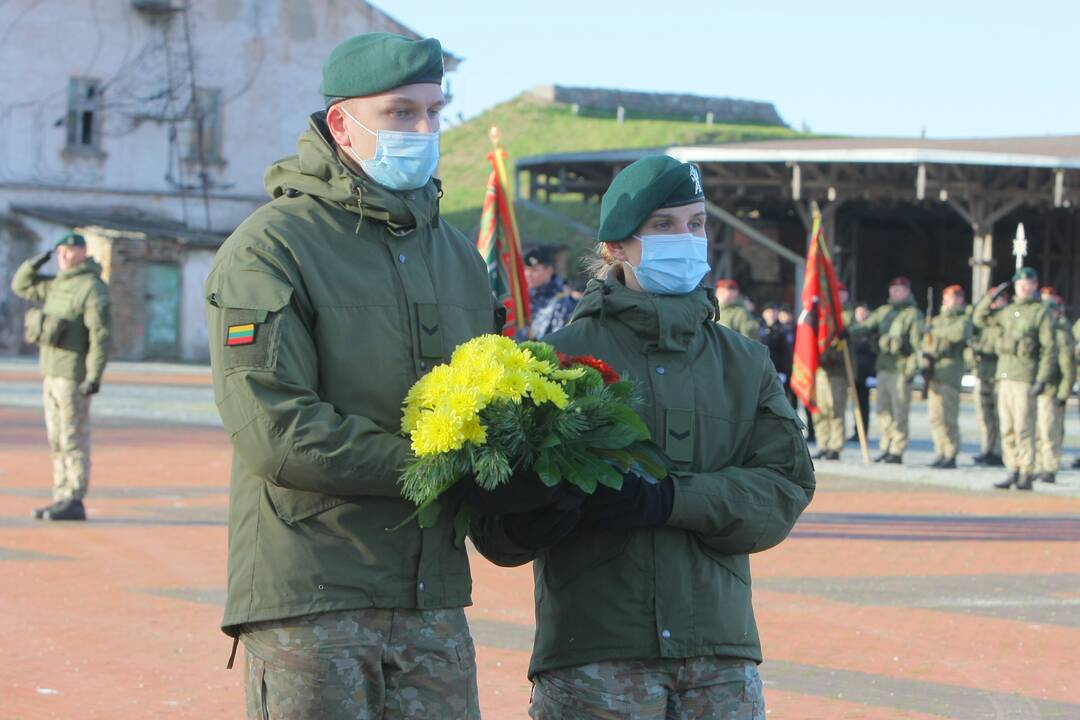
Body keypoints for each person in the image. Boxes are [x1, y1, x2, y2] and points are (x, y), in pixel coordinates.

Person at [204, 33, 552, 718]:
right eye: (400, 114)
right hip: (315, 592)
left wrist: (525, 481)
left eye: (433, 111)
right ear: (342, 123)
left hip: (432, 595)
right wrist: (446, 465)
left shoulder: (456, 257)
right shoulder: (272, 246)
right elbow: (277, 429)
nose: (423, 130)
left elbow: (490, 406)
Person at [472, 155, 815, 719]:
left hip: (718, 661)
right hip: (595, 655)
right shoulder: (553, 361)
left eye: (696, 224)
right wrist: (532, 515)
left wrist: (671, 498)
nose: (685, 238)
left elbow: (783, 490)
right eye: (663, 225)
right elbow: (496, 532)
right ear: (616, 247)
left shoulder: (744, 362)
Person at [11, 232, 111, 521]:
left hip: (72, 376)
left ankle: (74, 497)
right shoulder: (57, 283)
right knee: (56, 438)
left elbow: (101, 336)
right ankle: (60, 495)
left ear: (82, 252)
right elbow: (21, 285)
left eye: (70, 251)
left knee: (73, 437)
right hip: (51, 373)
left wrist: (94, 376)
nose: (64, 257)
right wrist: (39, 259)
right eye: (60, 253)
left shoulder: (92, 288)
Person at [973, 267, 1056, 491]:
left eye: (1029, 283)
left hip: (1025, 376)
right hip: (1005, 375)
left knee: (1023, 427)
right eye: (1020, 284)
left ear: (1035, 285)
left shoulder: (1041, 312)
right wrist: (993, 295)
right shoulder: (1007, 311)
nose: (1025, 287)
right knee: (1006, 427)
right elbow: (979, 318)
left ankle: (1026, 472)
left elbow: (1049, 349)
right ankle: (1013, 468)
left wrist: (1041, 378)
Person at [846, 276, 923, 464]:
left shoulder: (913, 314)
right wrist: (847, 331)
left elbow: (918, 346)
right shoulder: (884, 312)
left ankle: (897, 449)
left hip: (901, 369)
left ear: (907, 291)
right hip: (884, 367)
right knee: (882, 409)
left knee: (899, 411)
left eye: (900, 289)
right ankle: (887, 445)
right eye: (893, 289)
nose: (895, 293)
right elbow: (866, 327)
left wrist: (911, 371)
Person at [922, 285, 972, 469]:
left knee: (949, 416)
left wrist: (934, 331)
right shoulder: (937, 320)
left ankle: (951, 452)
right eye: (946, 297)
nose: (947, 301)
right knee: (935, 417)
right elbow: (927, 344)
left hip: (950, 373)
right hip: (935, 372)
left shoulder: (963, 319)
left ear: (959, 299)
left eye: (951, 297)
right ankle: (940, 450)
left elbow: (957, 334)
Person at [1033, 296, 1074, 484]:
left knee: (1050, 432)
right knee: (1039, 432)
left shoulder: (1060, 335)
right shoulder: (1045, 333)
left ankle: (1050, 467)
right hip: (1041, 390)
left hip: (1053, 391)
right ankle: (1040, 465)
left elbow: (1068, 368)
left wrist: (1063, 394)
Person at [813, 282, 854, 461]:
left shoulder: (847, 316)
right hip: (820, 369)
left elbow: (851, 332)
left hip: (838, 370)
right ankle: (823, 443)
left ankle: (835, 446)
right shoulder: (820, 315)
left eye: (841, 293)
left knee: (836, 408)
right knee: (820, 409)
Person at [969, 292, 1006, 466]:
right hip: (983, 373)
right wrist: (989, 298)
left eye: (999, 299)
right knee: (984, 416)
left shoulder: (1005, 320)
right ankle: (987, 449)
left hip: (999, 374)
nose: (995, 304)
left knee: (999, 416)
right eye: (994, 300)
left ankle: (999, 451)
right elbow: (977, 316)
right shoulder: (985, 321)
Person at [518, 245, 578, 340]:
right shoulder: (520, 298)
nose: (528, 274)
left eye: (535, 270)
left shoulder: (563, 302)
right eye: (526, 269)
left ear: (549, 270)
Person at [849, 301, 875, 442]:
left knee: (864, 404)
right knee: (855, 404)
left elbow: (875, 354)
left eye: (864, 312)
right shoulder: (852, 330)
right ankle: (856, 430)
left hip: (866, 373)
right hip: (853, 371)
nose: (861, 315)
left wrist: (873, 374)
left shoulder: (871, 331)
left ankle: (863, 431)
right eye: (859, 312)